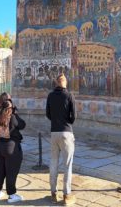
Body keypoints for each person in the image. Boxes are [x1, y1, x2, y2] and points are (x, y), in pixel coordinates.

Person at [46, 74, 76, 205]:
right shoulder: (69, 95)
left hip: (54, 132)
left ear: (57, 83)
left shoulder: (50, 95)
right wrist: (67, 122)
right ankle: (66, 194)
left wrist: (56, 121)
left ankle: (53, 193)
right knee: (67, 164)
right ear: (65, 83)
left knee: (53, 162)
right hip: (66, 132)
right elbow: (74, 115)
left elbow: (48, 113)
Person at [0, 96, 26, 203]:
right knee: (11, 171)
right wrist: (15, 113)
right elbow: (22, 125)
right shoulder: (12, 116)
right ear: (10, 108)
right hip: (10, 147)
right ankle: (11, 195)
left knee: (0, 170)